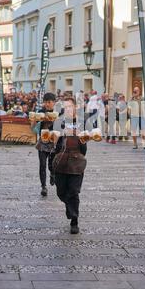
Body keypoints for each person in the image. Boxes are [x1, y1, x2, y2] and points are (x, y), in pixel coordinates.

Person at [53, 97, 87, 235]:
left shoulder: (80, 124)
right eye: (65, 107)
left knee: (73, 192)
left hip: (76, 163)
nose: (67, 109)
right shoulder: (58, 123)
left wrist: (80, 138)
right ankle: (70, 207)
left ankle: (74, 220)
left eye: (70, 106)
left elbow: (84, 148)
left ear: (74, 108)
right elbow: (53, 145)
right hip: (61, 162)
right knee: (61, 192)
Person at [31, 93, 57, 197]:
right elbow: (33, 128)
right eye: (45, 102)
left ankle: (53, 174)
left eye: (49, 102)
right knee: (42, 164)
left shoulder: (58, 112)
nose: (47, 104)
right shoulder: (40, 112)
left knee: (53, 164)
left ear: (54, 102)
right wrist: (33, 121)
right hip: (43, 141)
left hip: (55, 141)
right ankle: (43, 186)